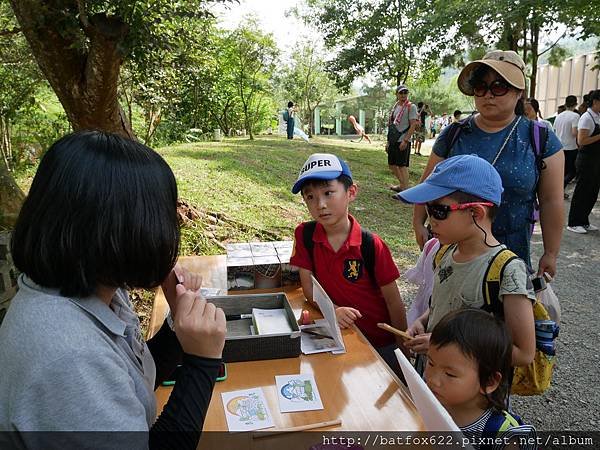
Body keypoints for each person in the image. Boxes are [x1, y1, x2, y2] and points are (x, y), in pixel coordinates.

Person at [0, 131, 226, 449]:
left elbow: (131, 380)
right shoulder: (69, 359)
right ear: (120, 229)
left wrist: (178, 325)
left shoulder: (92, 287)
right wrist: (202, 362)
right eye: (163, 216)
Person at [413, 50, 564, 279]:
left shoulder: (541, 138)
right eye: (480, 87)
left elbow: (551, 200)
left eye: (499, 86)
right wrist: (418, 223)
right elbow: (428, 184)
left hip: (511, 251)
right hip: (453, 250)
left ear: (519, 91)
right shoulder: (454, 134)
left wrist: (551, 253)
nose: (488, 95)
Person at [396, 155, 536, 368]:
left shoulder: (507, 271)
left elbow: (523, 353)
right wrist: (423, 321)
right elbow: (442, 304)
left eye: (438, 211)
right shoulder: (444, 253)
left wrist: (445, 345)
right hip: (432, 376)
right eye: (427, 209)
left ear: (476, 212)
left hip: (472, 396)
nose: (430, 220)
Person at [290, 153, 408, 375]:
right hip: (338, 337)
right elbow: (308, 289)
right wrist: (333, 311)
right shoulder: (304, 234)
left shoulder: (372, 245)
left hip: (380, 344)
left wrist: (404, 353)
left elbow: (394, 303)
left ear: (351, 192)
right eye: (310, 197)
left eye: (328, 193)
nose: (320, 205)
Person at [426, 309, 537, 448]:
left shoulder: (505, 437)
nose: (432, 380)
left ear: (489, 381)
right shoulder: (428, 405)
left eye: (450, 374)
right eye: (430, 363)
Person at [567, 89, 600, 234]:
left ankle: (584, 221)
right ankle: (573, 222)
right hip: (586, 159)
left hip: (596, 160)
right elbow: (581, 141)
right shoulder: (587, 118)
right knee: (582, 191)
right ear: (595, 102)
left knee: (592, 191)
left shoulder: (598, 116)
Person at [386, 85, 419, 192]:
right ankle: (403, 185)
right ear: (397, 94)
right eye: (401, 93)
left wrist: (405, 140)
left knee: (402, 165)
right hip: (393, 139)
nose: (403, 95)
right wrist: (388, 141)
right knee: (392, 164)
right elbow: (391, 125)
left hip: (403, 140)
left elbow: (413, 125)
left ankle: (404, 189)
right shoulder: (395, 106)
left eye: (405, 93)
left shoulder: (411, 107)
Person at [553, 95, 580, 193]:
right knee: (572, 171)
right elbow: (574, 133)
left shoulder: (559, 116)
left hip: (559, 147)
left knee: (562, 171)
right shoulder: (575, 116)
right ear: (576, 104)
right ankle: (561, 188)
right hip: (571, 147)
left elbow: (554, 130)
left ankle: (560, 191)